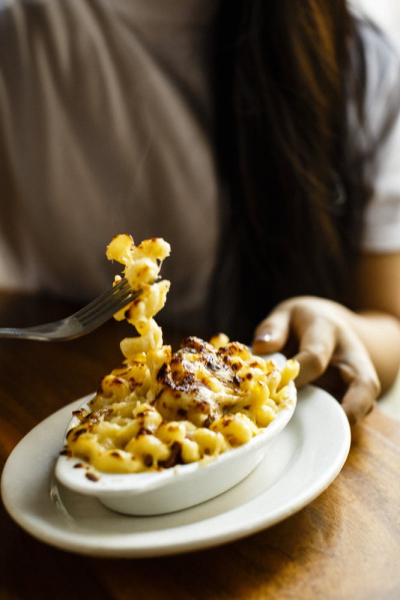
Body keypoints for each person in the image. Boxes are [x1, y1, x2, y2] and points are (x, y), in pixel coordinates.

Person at [1, 0, 400, 425]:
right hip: (47, 409)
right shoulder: (18, 41)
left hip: (285, 434)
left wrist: (337, 326)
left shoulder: (355, 57)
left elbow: (389, 322)